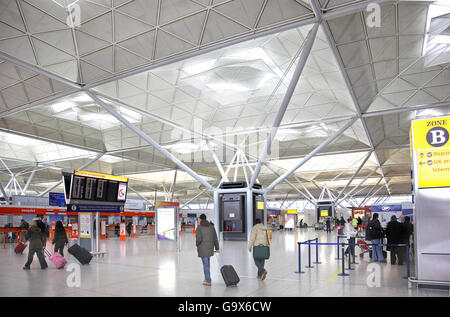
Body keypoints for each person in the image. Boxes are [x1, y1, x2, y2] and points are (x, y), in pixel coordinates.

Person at [195, 214, 219, 286]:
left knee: (205, 265)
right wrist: (217, 248)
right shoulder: (211, 227)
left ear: (201, 219)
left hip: (202, 249)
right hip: (210, 248)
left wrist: (197, 244)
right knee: (207, 264)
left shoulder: (199, 227)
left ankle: (208, 280)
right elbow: (215, 238)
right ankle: (207, 278)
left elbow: (198, 239)